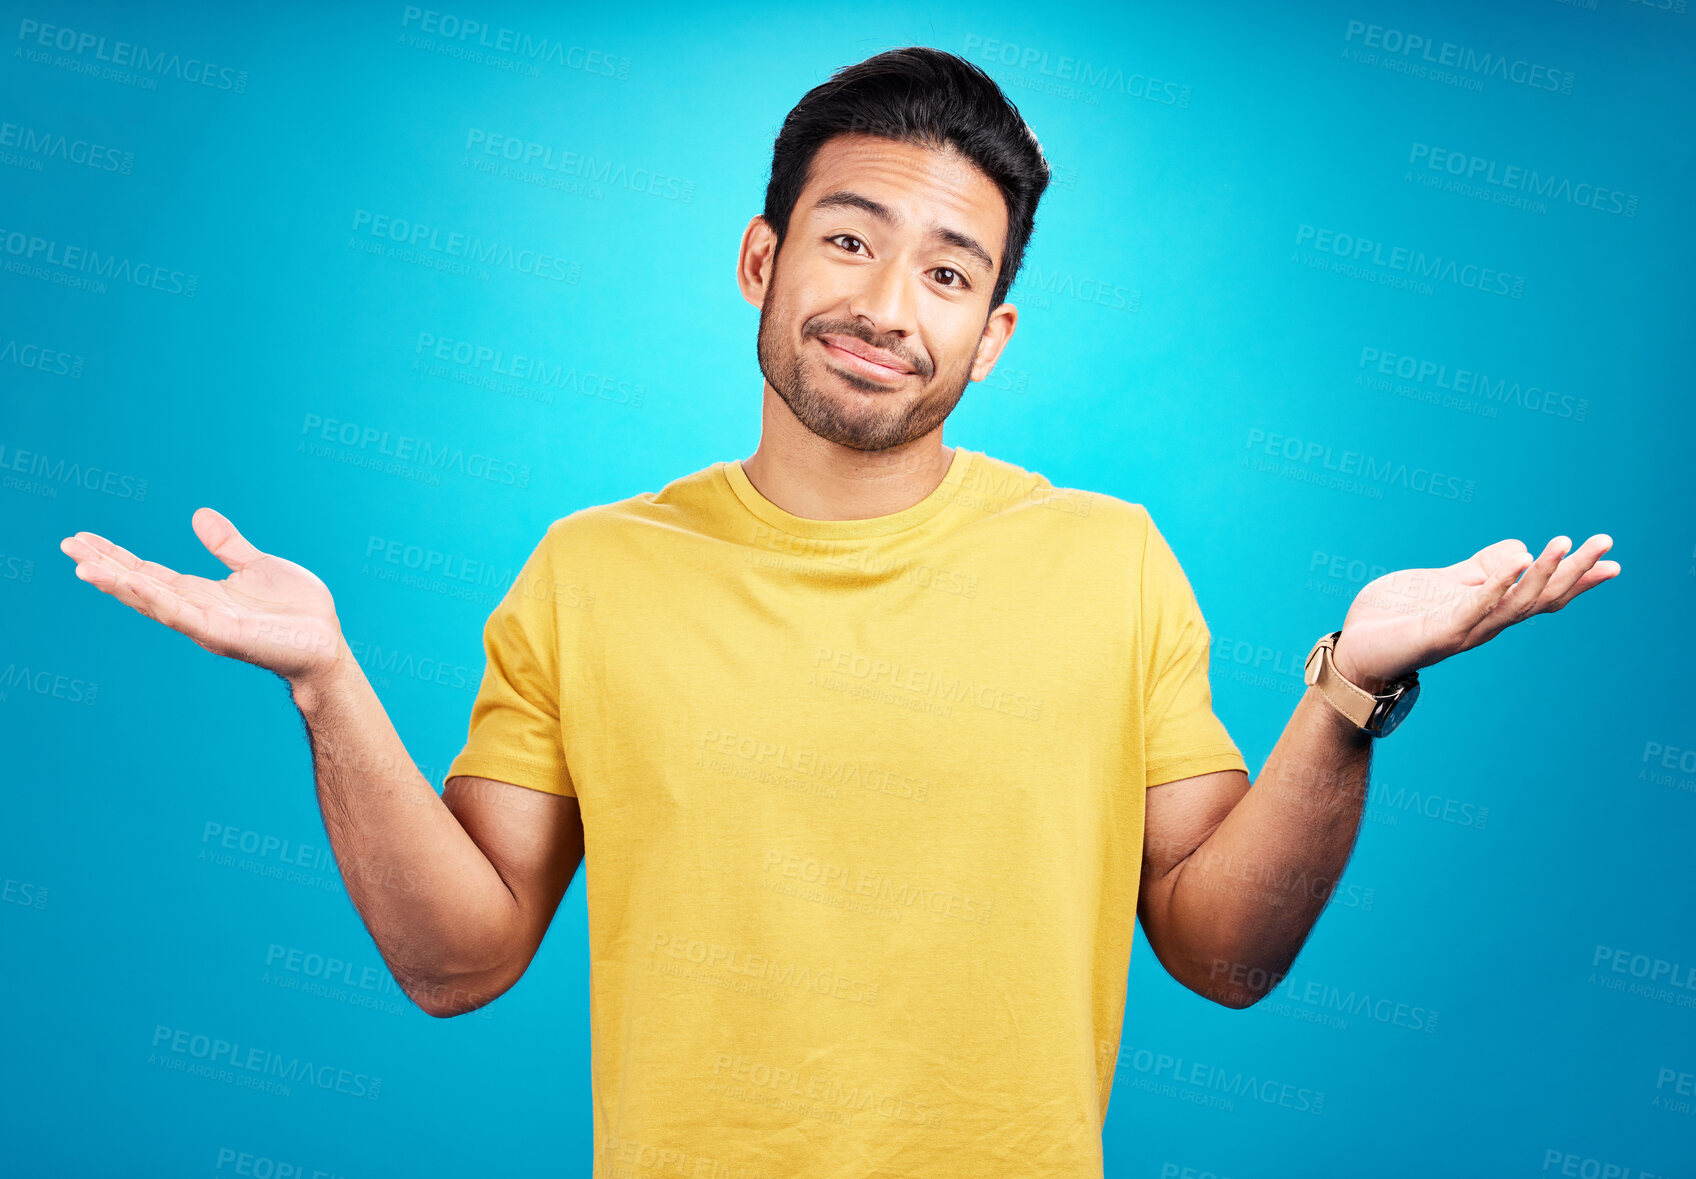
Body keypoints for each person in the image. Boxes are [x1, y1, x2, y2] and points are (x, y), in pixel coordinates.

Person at [60, 45, 1618, 1179]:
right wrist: (329, 683)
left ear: (993, 334)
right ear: (762, 255)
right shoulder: (589, 572)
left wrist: (1353, 690)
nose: (887, 306)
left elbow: (1223, 951)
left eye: (949, 274)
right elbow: (457, 962)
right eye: (852, 240)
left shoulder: (1110, 559)